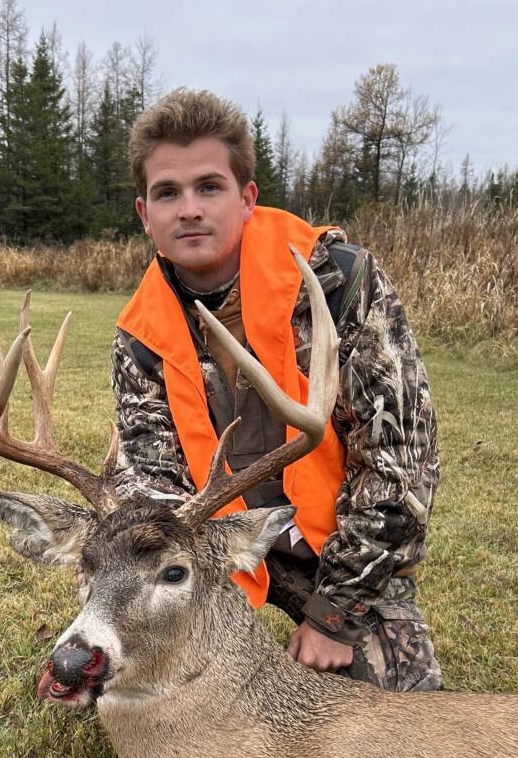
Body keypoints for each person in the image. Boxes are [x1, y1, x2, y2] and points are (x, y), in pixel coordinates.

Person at [109, 88, 442, 692]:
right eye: (168, 193)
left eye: (209, 187)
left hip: (336, 545)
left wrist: (334, 616)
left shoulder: (338, 284)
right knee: (136, 683)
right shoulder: (141, 336)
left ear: (247, 199)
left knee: (396, 701)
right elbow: (151, 484)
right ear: (144, 213)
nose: (189, 210)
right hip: (220, 550)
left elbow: (402, 464)